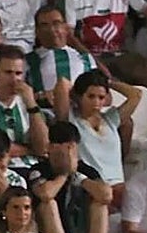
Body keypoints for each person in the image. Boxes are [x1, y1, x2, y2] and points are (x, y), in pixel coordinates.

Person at [27, 120, 111, 233]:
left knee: (100, 205)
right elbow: (45, 194)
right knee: (49, 205)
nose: (68, 152)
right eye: (63, 147)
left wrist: (79, 178)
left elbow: (106, 195)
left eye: (71, 147)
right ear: (50, 147)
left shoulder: (86, 170)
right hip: (46, 227)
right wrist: (65, 173)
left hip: (79, 224)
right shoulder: (39, 169)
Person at [59, 69, 141, 201]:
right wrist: (80, 87)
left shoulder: (111, 119)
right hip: (93, 186)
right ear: (79, 96)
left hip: (119, 187)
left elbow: (136, 94)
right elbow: (63, 84)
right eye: (91, 96)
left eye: (101, 97)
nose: (96, 103)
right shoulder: (71, 120)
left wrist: (107, 82)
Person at [0, 45, 49, 171]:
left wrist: (31, 105)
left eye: (18, 73)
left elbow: (43, 147)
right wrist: (30, 150)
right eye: (8, 73)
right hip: (0, 169)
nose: (14, 79)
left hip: (34, 169)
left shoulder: (30, 106)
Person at [27, 6, 100, 119]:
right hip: (45, 115)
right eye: (44, 25)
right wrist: (40, 95)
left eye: (56, 23)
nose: (52, 29)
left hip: (81, 115)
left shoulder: (85, 58)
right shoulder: (27, 60)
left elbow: (104, 94)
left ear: (66, 27)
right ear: (37, 31)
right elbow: (16, 94)